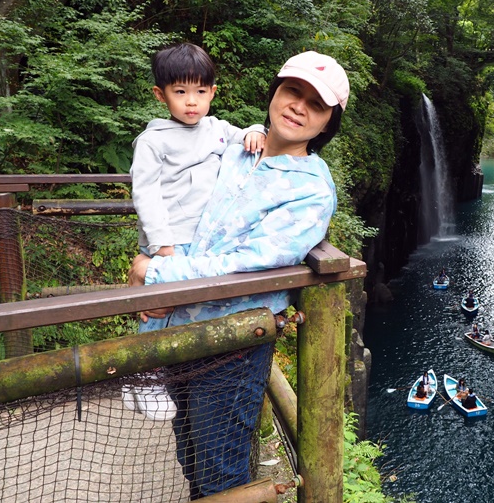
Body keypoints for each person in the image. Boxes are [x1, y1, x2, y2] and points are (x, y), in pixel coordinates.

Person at [127, 50, 349, 499]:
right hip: (181, 327)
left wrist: (159, 273)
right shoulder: (232, 146)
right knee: (190, 453)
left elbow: (248, 262)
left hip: (232, 344)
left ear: (328, 122)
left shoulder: (310, 188)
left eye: (316, 104)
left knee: (219, 472)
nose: (298, 106)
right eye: (292, 90)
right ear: (274, 93)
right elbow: (169, 188)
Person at [124, 43, 268, 421]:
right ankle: (143, 377)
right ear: (161, 94)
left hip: (206, 239)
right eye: (181, 92)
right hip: (168, 239)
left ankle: (178, 370)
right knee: (158, 306)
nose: (192, 102)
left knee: (188, 306)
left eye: (201, 92)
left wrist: (255, 130)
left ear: (212, 92)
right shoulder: (153, 140)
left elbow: (246, 135)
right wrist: (162, 247)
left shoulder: (217, 129)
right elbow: (146, 194)